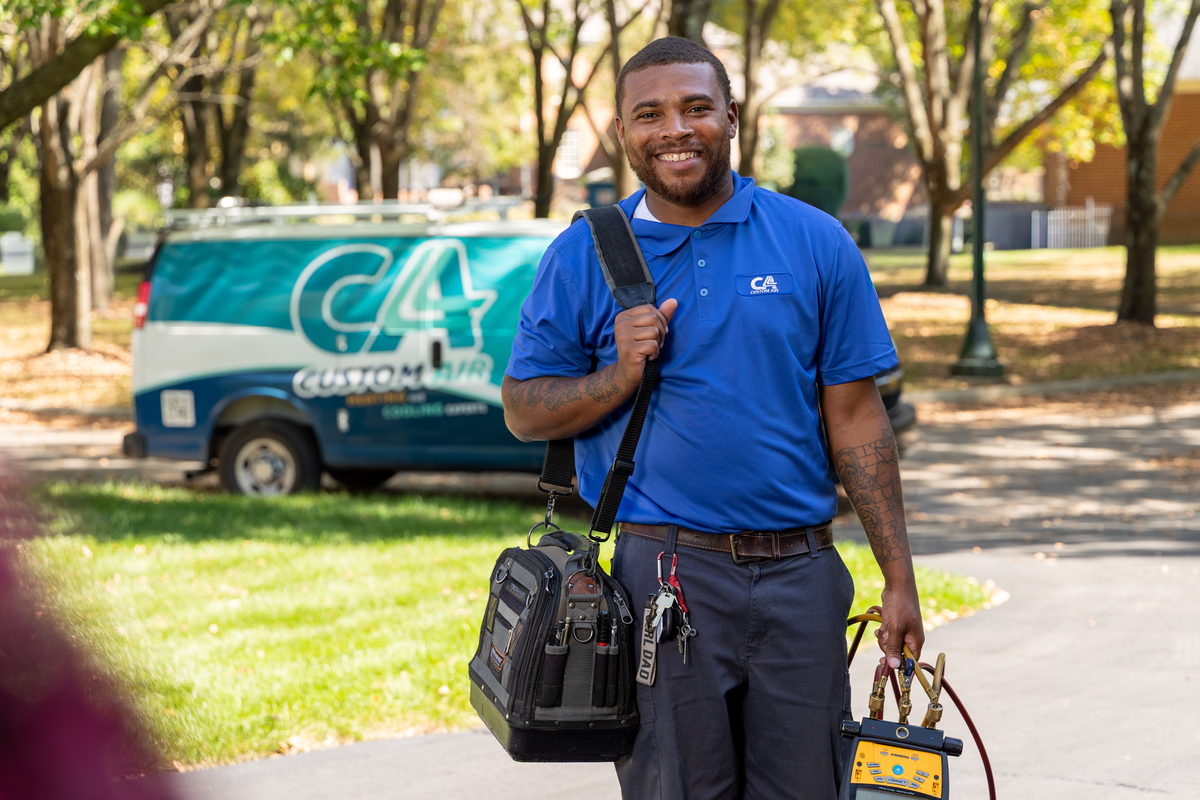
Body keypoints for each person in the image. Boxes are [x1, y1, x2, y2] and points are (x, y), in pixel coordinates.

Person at [502, 36, 923, 800]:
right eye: (650, 114)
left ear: (730, 118)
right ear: (625, 133)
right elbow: (524, 411)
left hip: (801, 573)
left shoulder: (813, 241)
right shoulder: (584, 254)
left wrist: (899, 577)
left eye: (697, 108)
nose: (675, 129)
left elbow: (858, 421)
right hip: (664, 573)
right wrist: (616, 376)